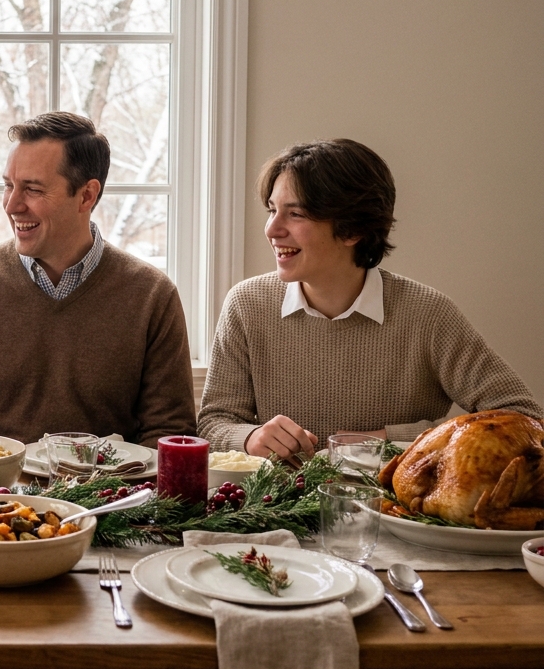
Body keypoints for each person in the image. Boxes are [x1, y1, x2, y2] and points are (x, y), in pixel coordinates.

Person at [197, 139, 541, 460]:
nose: (272, 229)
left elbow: (525, 419)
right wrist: (251, 437)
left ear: (352, 229)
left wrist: (390, 441)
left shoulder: (428, 314)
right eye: (272, 210)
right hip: (273, 511)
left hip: (395, 513)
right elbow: (214, 422)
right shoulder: (247, 304)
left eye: (295, 214)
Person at [0, 112, 196, 447]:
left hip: (107, 495)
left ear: (87, 196)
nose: (12, 205)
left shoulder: (152, 295)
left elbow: (169, 431)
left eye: (32, 189)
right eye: (8, 185)